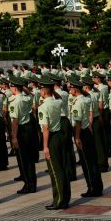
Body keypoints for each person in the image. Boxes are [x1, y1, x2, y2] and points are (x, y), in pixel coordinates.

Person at [38, 78, 69, 209]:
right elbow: (60, 102)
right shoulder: (58, 103)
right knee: (62, 168)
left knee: (55, 171)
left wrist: (45, 146)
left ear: (44, 92)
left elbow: (45, 128)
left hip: (51, 138)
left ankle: (59, 200)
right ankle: (65, 198)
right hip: (60, 136)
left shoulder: (43, 106)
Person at [70, 78, 103, 197]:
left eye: (71, 88)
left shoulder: (78, 102)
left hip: (81, 133)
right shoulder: (85, 99)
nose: (70, 90)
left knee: (87, 163)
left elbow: (77, 122)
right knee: (92, 161)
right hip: (86, 131)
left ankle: (92, 188)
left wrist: (77, 137)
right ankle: (97, 186)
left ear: (75, 89)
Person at [8, 76, 37, 194]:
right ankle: (32, 184)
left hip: (21, 131)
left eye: (11, 86)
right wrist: (23, 88)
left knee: (24, 159)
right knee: (29, 159)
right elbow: (30, 94)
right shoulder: (27, 98)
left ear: (15, 88)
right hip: (29, 129)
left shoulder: (17, 101)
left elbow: (15, 121)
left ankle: (28, 185)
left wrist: (14, 137)